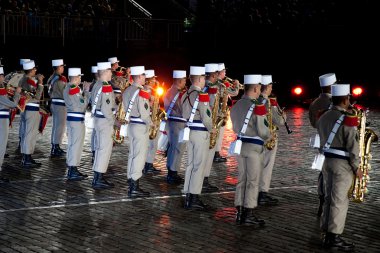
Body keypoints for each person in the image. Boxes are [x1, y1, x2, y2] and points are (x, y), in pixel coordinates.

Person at [317, 84, 361, 251]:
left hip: (327, 161)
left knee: (329, 198)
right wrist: (356, 166)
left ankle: (327, 233)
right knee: (339, 201)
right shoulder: (347, 118)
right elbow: (353, 146)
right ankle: (334, 237)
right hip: (342, 164)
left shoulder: (323, 116)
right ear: (345, 99)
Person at [230, 74, 269, 225]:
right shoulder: (258, 106)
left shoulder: (237, 104)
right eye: (259, 88)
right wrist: (269, 134)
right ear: (255, 88)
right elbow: (263, 131)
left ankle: (239, 211)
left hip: (240, 145)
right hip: (254, 147)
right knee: (252, 181)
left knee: (242, 179)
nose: (260, 91)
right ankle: (248, 213)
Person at [181, 66, 213, 210]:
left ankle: (188, 193)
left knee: (190, 164)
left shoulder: (184, 94)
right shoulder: (202, 95)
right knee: (199, 165)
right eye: (204, 78)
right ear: (200, 79)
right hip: (200, 133)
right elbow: (207, 118)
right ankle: (194, 197)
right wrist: (213, 129)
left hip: (189, 131)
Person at [309, 73, 336, 216]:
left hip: (320, 138)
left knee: (322, 171)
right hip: (334, 140)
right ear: (331, 86)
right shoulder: (333, 103)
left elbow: (313, 123)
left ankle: (321, 198)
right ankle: (329, 202)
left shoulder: (314, 103)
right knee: (333, 171)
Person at [122, 66, 151, 198]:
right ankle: (134, 186)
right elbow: (144, 113)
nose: (145, 78)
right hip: (140, 126)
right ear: (139, 76)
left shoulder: (127, 90)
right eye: (144, 75)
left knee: (133, 154)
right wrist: (152, 123)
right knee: (139, 156)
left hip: (131, 124)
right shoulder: (142, 92)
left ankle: (130, 177)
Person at [257, 75, 285, 205]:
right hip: (268, 137)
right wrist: (283, 114)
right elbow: (278, 120)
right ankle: (262, 192)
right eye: (271, 85)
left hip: (255, 137)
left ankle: (255, 191)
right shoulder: (269, 102)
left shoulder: (254, 99)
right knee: (267, 165)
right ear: (267, 87)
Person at [91, 62, 116, 189]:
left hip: (98, 120)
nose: (112, 73)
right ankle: (99, 178)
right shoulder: (105, 86)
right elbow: (107, 109)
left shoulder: (97, 84)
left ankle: (97, 177)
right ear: (105, 72)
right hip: (105, 121)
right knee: (104, 150)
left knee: (100, 148)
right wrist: (114, 121)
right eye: (110, 71)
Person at [63, 68, 90, 181]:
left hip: (73, 119)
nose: (80, 79)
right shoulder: (73, 88)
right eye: (79, 77)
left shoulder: (70, 88)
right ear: (75, 77)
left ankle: (72, 168)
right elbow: (83, 105)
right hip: (76, 120)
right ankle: (72, 170)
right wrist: (87, 92)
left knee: (73, 144)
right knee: (76, 145)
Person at [18, 60, 44, 167]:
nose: (36, 71)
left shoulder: (23, 79)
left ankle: (26, 157)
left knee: (26, 133)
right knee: (30, 134)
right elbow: (37, 97)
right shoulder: (28, 81)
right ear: (31, 70)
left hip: (26, 109)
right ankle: (27, 158)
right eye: (34, 69)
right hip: (31, 110)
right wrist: (41, 83)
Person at [163, 70, 187, 185]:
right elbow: (183, 109)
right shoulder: (179, 93)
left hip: (172, 122)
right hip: (178, 123)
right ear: (180, 81)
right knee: (177, 149)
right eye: (184, 80)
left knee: (173, 147)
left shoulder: (169, 90)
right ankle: (172, 173)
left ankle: (171, 171)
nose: (185, 82)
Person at [213, 63, 240, 162]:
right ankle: (215, 154)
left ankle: (214, 153)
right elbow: (235, 92)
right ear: (220, 73)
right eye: (224, 71)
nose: (225, 73)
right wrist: (236, 84)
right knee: (218, 135)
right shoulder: (221, 85)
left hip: (215, 112)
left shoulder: (216, 83)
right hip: (219, 113)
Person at [0, 66, 21, 183]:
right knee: (1, 146)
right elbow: (12, 104)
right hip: (1, 120)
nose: (4, 78)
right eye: (2, 76)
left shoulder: (2, 88)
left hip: (2, 119)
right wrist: (17, 94)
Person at [202, 63, 220, 192]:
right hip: (208, 125)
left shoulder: (203, 87)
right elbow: (210, 107)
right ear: (213, 75)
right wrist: (219, 114)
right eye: (217, 74)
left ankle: (203, 180)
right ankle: (204, 180)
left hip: (206, 124)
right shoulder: (209, 89)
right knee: (207, 156)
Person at [142, 69, 162, 174]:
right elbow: (148, 105)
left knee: (150, 144)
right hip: (151, 118)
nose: (155, 81)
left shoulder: (145, 90)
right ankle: (148, 165)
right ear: (149, 80)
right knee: (152, 144)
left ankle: (147, 164)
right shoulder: (149, 91)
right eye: (154, 79)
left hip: (150, 118)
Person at [47, 59, 67, 157]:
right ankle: (56, 147)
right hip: (60, 105)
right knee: (60, 126)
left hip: (54, 103)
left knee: (56, 126)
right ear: (58, 67)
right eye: (62, 66)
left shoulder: (52, 78)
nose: (63, 68)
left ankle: (55, 146)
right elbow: (64, 92)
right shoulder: (60, 79)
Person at [89, 66, 99, 163]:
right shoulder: (95, 85)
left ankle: (94, 152)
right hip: (97, 113)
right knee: (96, 134)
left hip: (95, 112)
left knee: (95, 133)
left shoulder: (94, 84)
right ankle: (95, 153)